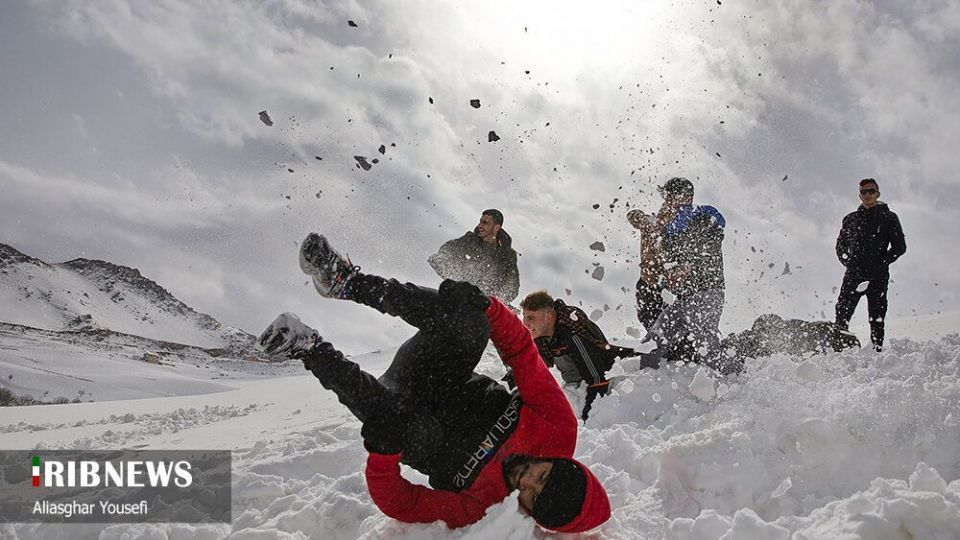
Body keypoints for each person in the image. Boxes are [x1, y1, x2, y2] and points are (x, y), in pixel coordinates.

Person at [257, 233, 610, 533]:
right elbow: (521, 352)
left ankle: (309, 349)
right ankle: (347, 282)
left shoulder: (484, 509)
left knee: (409, 430)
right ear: (561, 462)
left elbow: (403, 503)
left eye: (530, 496)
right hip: (433, 370)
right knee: (469, 319)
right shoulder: (557, 427)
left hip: (398, 410)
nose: (526, 480)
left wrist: (383, 455)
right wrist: (486, 307)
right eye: (543, 474)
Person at [516, 290, 649, 421]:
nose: (525, 324)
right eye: (524, 317)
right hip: (579, 386)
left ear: (549, 317)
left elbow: (597, 379)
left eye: (531, 318)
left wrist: (587, 420)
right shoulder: (542, 333)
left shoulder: (572, 335)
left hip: (612, 387)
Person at [643, 177, 731, 372]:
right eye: (665, 197)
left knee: (705, 344)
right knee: (654, 338)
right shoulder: (670, 227)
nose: (666, 201)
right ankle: (644, 383)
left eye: (669, 196)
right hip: (684, 298)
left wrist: (689, 264)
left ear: (684, 196)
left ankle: (733, 377)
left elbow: (712, 237)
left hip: (708, 292)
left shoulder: (704, 214)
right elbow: (667, 261)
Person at [834, 178, 906, 352]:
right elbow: (840, 246)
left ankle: (876, 352)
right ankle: (839, 351)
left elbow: (899, 247)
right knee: (842, 314)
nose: (867, 195)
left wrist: (882, 262)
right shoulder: (850, 219)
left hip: (878, 277)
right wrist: (849, 262)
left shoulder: (888, 217)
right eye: (864, 192)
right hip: (853, 276)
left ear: (878, 194)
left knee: (877, 318)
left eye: (871, 191)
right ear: (859, 195)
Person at [428, 209, 520, 303]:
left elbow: (512, 286)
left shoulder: (507, 256)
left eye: (485, 223)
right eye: (480, 222)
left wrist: (492, 301)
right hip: (461, 298)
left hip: (487, 306)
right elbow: (448, 250)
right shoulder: (470, 241)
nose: (480, 225)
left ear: (496, 227)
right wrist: (455, 279)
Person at [627, 197, 678, 330]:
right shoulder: (649, 223)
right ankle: (658, 339)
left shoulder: (673, 231)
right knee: (648, 316)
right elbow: (632, 216)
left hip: (660, 283)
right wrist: (642, 217)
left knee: (658, 318)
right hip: (649, 280)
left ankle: (661, 340)